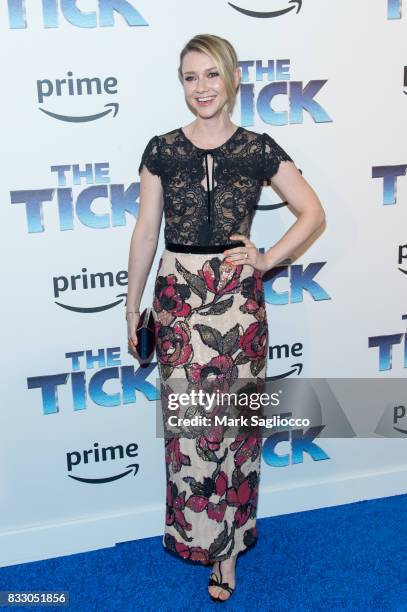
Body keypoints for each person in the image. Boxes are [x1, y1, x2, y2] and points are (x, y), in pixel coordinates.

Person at [127, 33, 325, 602]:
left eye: (211, 75)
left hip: (238, 301)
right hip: (178, 299)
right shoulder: (162, 148)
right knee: (191, 429)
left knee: (237, 431)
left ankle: (230, 552)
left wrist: (267, 259)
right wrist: (131, 302)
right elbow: (146, 231)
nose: (201, 88)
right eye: (190, 77)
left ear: (232, 78)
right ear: (181, 84)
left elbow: (312, 211)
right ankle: (198, 536)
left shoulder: (257, 147)